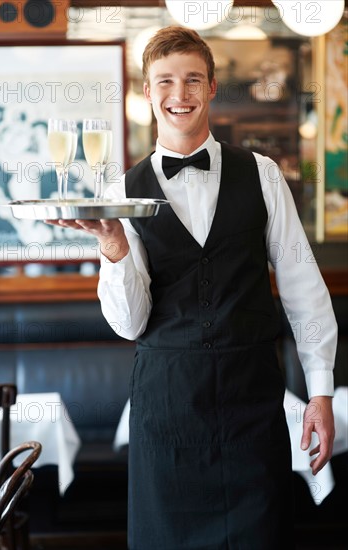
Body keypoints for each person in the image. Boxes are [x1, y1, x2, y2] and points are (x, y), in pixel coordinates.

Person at [47, 26, 337, 550]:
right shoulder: (121, 193)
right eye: (164, 82)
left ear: (211, 87)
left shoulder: (264, 175)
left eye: (191, 80)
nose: (178, 95)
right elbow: (130, 324)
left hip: (252, 402)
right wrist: (113, 249)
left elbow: (303, 289)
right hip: (167, 408)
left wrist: (320, 392)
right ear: (146, 91)